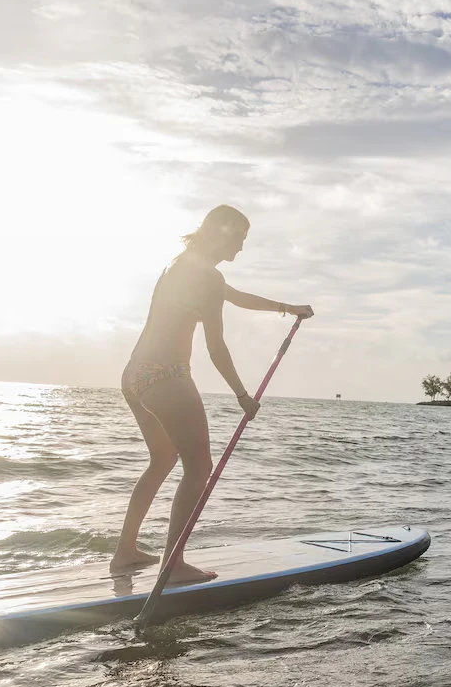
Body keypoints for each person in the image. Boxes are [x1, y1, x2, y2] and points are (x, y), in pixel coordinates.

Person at [110, 205, 314, 582]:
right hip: (167, 376)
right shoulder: (208, 278)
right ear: (222, 234)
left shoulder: (182, 263)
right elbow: (216, 347)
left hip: (134, 374)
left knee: (162, 460)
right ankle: (173, 567)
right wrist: (241, 395)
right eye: (240, 238)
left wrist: (286, 308)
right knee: (199, 466)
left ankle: (124, 553)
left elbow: (234, 296)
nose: (241, 248)